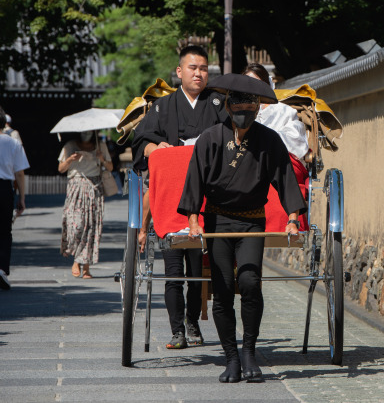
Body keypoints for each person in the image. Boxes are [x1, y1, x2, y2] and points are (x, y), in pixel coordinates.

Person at [177, 73, 307, 383]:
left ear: (258, 108)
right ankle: (231, 358)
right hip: (218, 220)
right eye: (239, 106)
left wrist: (292, 218)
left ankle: (249, 351)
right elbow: (195, 180)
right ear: (228, 106)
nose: (244, 112)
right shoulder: (210, 138)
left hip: (252, 220)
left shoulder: (268, 140)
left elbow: (285, 179)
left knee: (249, 281)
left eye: (251, 107)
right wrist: (193, 220)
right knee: (222, 290)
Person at [132, 44, 226, 350]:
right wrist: (156, 150)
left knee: (197, 271)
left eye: (203, 68)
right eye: (192, 67)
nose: (198, 73)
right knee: (173, 271)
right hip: (171, 199)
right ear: (179, 71)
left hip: (206, 200)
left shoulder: (217, 103)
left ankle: (193, 322)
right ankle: (177, 330)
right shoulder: (163, 106)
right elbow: (142, 142)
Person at [242, 63, 310, 231]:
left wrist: (266, 143)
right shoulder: (238, 110)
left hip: (279, 161)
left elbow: (296, 141)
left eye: (257, 82)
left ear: (267, 84)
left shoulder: (283, 111)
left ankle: (287, 220)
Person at [58, 130, 113, 279]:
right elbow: (61, 168)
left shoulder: (100, 145)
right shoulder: (70, 146)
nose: (86, 134)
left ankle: (85, 266)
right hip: (76, 187)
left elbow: (110, 167)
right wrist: (70, 159)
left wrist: (102, 159)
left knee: (91, 227)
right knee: (76, 224)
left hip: (94, 187)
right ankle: (76, 257)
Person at [0, 106, 28, 290]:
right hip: (4, 188)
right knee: (4, 230)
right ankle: (1, 270)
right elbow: (20, 174)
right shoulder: (12, 143)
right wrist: (22, 198)